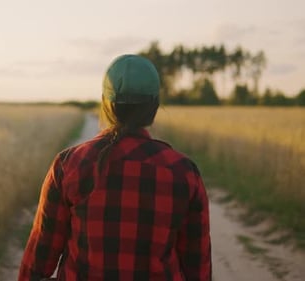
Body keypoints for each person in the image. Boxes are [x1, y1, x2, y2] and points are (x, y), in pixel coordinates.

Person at [18, 54, 211, 281]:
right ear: (155, 106)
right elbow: (198, 269)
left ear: (106, 104)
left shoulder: (68, 165)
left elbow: (38, 262)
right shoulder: (183, 172)